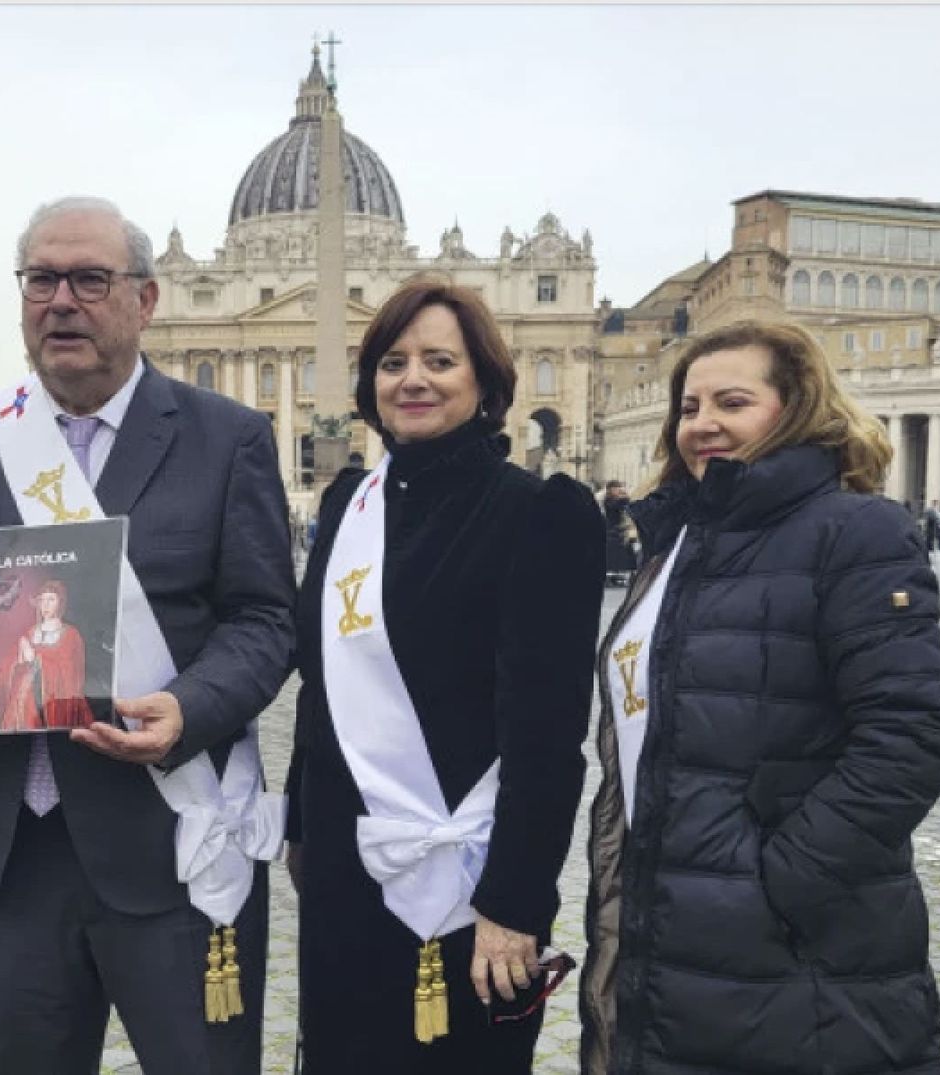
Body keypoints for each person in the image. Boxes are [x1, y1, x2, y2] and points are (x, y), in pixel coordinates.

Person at [0, 196, 296, 1075]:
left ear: (144, 300)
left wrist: (188, 708)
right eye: (41, 279)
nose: (61, 301)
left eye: (89, 280)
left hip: (171, 838)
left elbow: (265, 618)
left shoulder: (227, 437)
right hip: (11, 853)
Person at [580, 320, 940, 1073]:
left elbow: (910, 736)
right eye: (689, 407)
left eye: (733, 402)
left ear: (797, 408)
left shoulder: (856, 531)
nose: (703, 423)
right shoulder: (675, 543)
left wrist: (777, 883)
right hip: (665, 920)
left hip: (788, 943)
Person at [285, 279, 602, 1072]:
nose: (413, 379)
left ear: (485, 381)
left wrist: (514, 902)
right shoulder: (349, 504)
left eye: (439, 360)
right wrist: (300, 826)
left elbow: (547, 735)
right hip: (348, 864)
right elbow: (321, 688)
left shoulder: (542, 513)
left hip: (471, 883)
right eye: (392, 362)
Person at [0, 578, 96, 731]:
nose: (45, 605)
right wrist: (20, 657)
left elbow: (71, 675)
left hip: (55, 702)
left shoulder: (71, 635)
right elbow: (8, 669)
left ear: (60, 603)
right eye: (42, 600)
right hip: (25, 704)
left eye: (51, 599)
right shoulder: (30, 633)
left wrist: (37, 659)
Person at [601, 480, 638, 585]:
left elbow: (628, 506)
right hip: (612, 530)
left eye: (619, 487)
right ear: (611, 490)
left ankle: (623, 573)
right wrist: (625, 496)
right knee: (616, 553)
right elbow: (620, 504)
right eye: (616, 488)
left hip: (620, 529)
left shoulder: (618, 500)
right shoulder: (609, 500)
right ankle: (613, 574)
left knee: (625, 552)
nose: (618, 490)